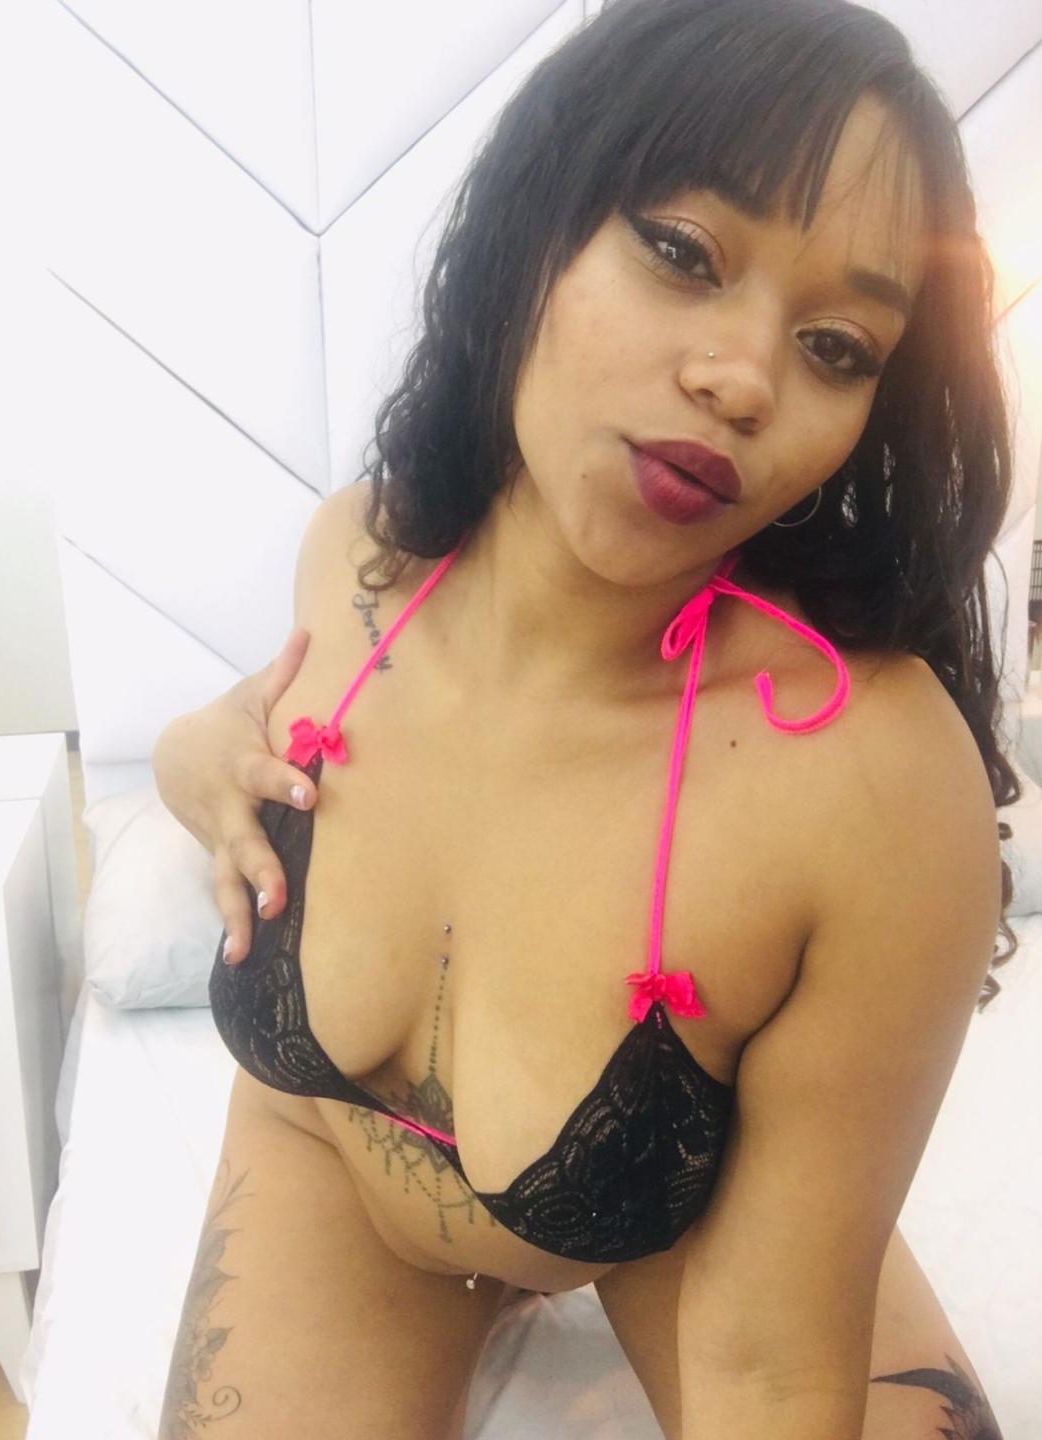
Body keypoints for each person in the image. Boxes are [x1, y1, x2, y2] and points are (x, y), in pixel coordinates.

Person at [151, 1, 1018, 1435]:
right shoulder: (357, 558)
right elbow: (280, 754)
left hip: (690, 1221)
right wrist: (190, 760)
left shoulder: (871, 782)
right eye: (682, 252)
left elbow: (771, 1367)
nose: (742, 379)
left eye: (836, 346)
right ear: (537, 220)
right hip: (329, 1159)